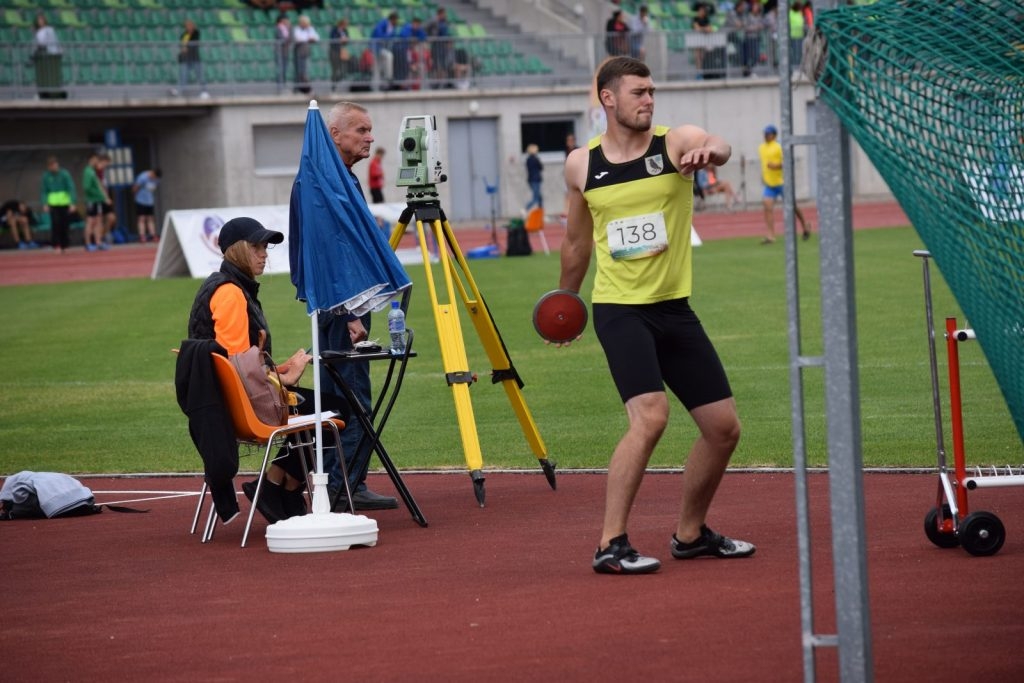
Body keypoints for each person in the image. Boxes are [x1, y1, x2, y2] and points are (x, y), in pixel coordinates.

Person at [558, 57, 756, 575]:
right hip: (620, 311)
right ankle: (610, 543)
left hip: (673, 309)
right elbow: (577, 242)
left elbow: (719, 144)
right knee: (650, 418)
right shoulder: (582, 164)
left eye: (652, 92)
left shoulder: (674, 143)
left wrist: (713, 150)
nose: (648, 100)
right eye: (638, 92)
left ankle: (690, 535)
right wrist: (565, 303)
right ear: (608, 98)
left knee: (723, 429)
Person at [182, 216, 316, 524]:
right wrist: (285, 379)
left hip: (229, 401)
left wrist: (283, 368)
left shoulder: (231, 287)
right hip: (240, 408)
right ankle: (277, 486)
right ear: (237, 250)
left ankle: (281, 486)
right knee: (335, 406)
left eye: (265, 247)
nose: (264, 253)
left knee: (326, 404)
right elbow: (237, 370)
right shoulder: (229, 293)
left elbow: (243, 362)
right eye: (256, 246)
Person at [320, 102, 399, 512]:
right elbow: (334, 249)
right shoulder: (327, 180)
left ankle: (348, 483)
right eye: (361, 130)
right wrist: (351, 312)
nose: (370, 137)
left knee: (343, 399)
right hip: (341, 304)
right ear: (334, 133)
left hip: (344, 300)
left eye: (371, 130)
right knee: (351, 401)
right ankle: (341, 488)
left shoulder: (339, 177)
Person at [758, 124, 810, 243]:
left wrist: (776, 166)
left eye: (769, 134)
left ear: (774, 135)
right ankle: (771, 235)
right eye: (765, 133)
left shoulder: (778, 147)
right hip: (769, 184)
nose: (766, 136)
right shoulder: (761, 148)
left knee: (793, 206)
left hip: (782, 182)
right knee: (768, 207)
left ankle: (804, 225)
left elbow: (788, 162)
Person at [39, 156, 76, 254]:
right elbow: (44, 191)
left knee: (65, 224)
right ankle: (56, 245)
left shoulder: (64, 174)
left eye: (54, 165)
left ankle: (65, 245)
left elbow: (71, 188)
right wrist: (45, 203)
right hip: (53, 204)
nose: (53, 167)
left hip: (64, 203)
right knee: (56, 224)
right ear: (48, 167)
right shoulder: (46, 176)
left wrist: (72, 202)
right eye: (51, 166)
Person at [82, 152, 112, 252]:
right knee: (91, 221)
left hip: (98, 200)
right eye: (95, 159)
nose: (97, 161)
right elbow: (87, 187)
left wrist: (103, 196)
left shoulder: (93, 171)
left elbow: (99, 185)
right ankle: (88, 243)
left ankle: (98, 242)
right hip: (92, 200)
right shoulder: (88, 171)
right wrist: (99, 194)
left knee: (99, 221)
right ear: (91, 159)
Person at [173, 19, 207, 98]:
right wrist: (183, 48)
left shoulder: (196, 33)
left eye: (190, 25)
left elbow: (195, 42)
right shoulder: (184, 35)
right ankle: (179, 90)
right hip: (185, 58)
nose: (188, 27)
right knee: (183, 75)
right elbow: (181, 44)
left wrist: (187, 46)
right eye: (187, 26)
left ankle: (204, 91)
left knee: (200, 75)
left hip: (195, 58)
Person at [370, 11, 399, 89]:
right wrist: (388, 37)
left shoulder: (392, 27)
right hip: (376, 47)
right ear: (392, 19)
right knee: (388, 56)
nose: (396, 22)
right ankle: (389, 77)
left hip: (383, 48)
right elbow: (379, 36)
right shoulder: (382, 23)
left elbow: (393, 37)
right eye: (396, 20)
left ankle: (377, 87)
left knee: (378, 68)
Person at [132, 168, 162, 243]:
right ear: (152, 173)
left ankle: (153, 235)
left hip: (150, 201)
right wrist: (135, 196)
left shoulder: (157, 180)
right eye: (154, 176)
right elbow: (136, 187)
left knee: (150, 218)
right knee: (141, 218)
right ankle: (142, 235)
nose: (154, 179)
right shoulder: (143, 177)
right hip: (141, 200)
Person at [292, 14, 319, 94]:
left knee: (305, 71)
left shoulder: (309, 29)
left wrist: (311, 37)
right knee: (299, 71)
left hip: (306, 52)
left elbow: (316, 37)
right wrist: (308, 38)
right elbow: (298, 38)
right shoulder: (297, 29)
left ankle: (304, 88)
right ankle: (298, 88)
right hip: (299, 52)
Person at [328, 17, 353, 92]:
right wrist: (340, 40)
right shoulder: (334, 30)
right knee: (335, 68)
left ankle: (338, 79)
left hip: (342, 50)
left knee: (344, 68)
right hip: (334, 51)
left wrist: (346, 40)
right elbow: (333, 39)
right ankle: (333, 85)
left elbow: (347, 38)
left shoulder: (345, 30)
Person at [274, 13, 292, 93]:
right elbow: (281, 38)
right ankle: (280, 87)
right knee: (281, 69)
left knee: (284, 69)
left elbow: (291, 37)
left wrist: (289, 28)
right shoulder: (278, 28)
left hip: (285, 51)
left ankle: (283, 85)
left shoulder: (288, 28)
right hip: (280, 51)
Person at [524, 143, 543, 213]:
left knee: (540, 198)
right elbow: (541, 167)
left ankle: (541, 213)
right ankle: (526, 208)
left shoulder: (528, 160)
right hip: (536, 180)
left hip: (531, 180)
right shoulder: (535, 159)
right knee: (536, 198)